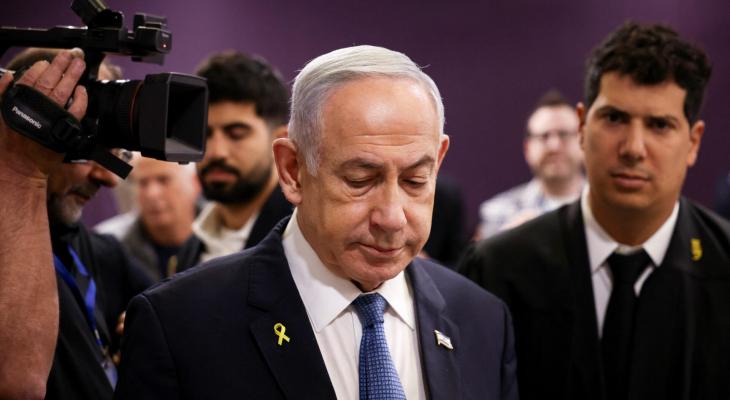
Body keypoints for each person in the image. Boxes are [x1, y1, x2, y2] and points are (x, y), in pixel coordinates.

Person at [115, 45, 517, 399]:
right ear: (293, 170)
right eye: (359, 181)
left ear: (439, 160)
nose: (392, 218)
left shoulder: (483, 320)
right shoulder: (179, 324)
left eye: (415, 180)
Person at [459, 22, 730, 400]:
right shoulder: (499, 270)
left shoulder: (724, 266)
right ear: (583, 126)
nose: (633, 148)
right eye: (615, 118)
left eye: (659, 125)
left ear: (693, 141)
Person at [0, 49, 151, 399]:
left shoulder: (103, 253)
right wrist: (24, 172)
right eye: (85, 148)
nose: (108, 178)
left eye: (118, 153)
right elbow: (18, 384)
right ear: (24, 127)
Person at [175, 51, 293, 270]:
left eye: (236, 134)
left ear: (279, 142)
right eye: (204, 134)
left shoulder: (305, 240)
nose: (216, 152)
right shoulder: (190, 249)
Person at [477, 90, 584, 239]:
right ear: (527, 149)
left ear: (583, 142)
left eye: (564, 134)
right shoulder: (498, 213)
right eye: (544, 136)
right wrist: (504, 243)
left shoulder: (609, 208)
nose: (554, 146)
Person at [96, 156, 201, 281]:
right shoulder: (107, 246)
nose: (152, 193)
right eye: (143, 183)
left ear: (195, 183)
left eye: (163, 180)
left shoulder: (219, 241)